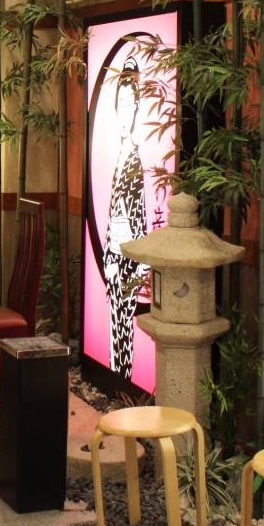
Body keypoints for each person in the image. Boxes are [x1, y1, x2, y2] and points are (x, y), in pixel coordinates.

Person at [101, 57, 149, 380]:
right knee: (116, 324)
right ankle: (118, 375)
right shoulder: (120, 156)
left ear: (137, 108)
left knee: (123, 327)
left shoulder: (134, 160)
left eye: (130, 105)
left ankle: (123, 377)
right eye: (120, 104)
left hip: (128, 258)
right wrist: (109, 255)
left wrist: (132, 261)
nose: (124, 112)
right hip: (115, 258)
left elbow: (136, 218)